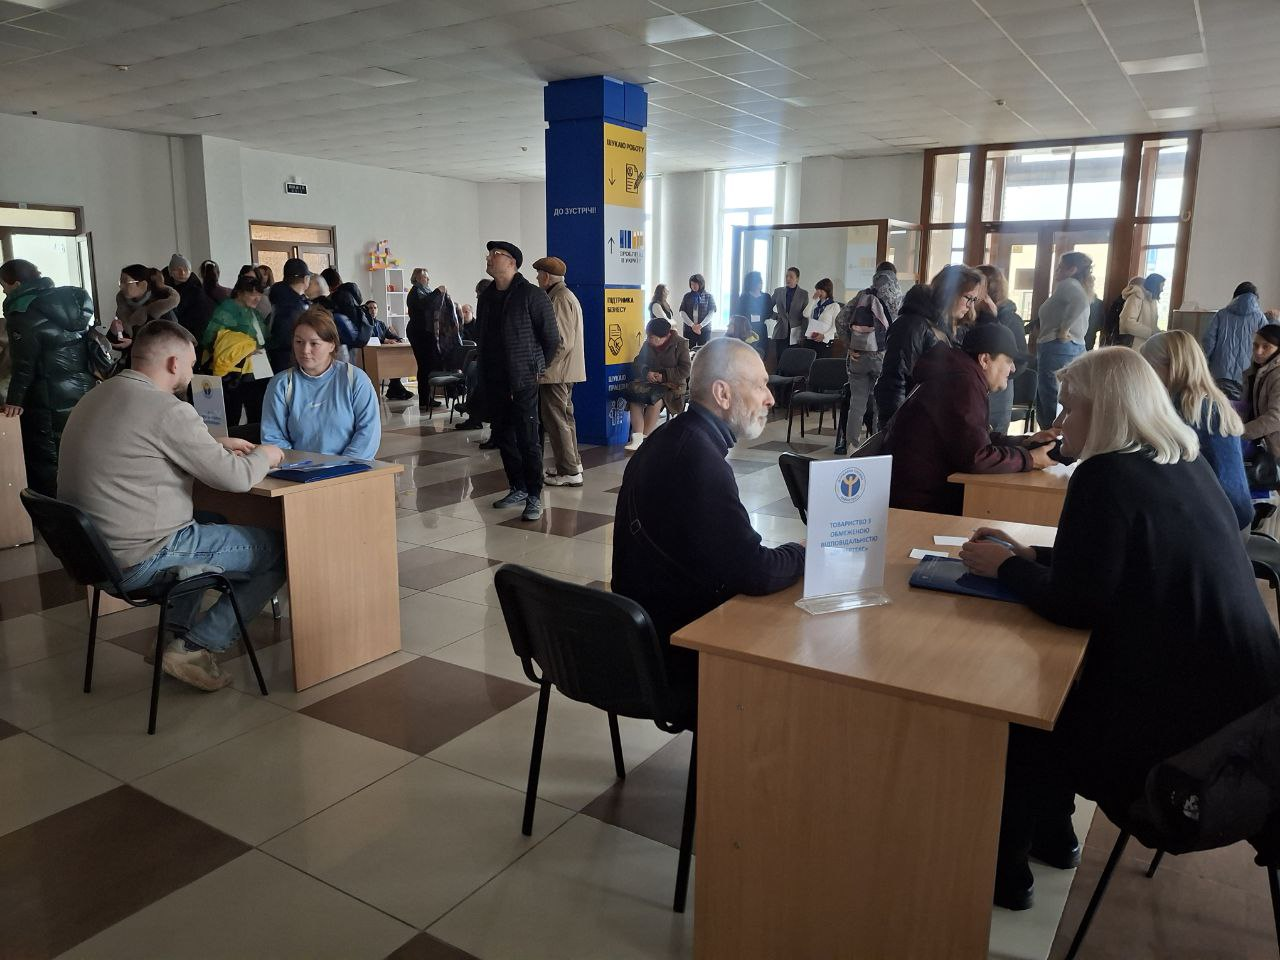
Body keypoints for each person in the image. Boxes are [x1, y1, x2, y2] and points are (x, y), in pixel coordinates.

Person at [957, 346, 1280, 911]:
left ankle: (1006, 876)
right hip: (1250, 714)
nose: (1061, 421)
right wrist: (1029, 554)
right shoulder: (1182, 460)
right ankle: (1055, 839)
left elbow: (1076, 605)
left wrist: (1004, 568)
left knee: (1029, 711)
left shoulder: (1104, 475)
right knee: (1061, 692)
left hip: (1189, 753)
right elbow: (1115, 565)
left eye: (1071, 408)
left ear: (1105, 410)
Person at [58, 319, 288, 691]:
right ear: (173, 363)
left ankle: (171, 635)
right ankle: (196, 647)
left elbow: (143, 445)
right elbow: (236, 478)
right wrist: (266, 454)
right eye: (191, 364)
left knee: (212, 518)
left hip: (92, 557)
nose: (193, 374)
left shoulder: (96, 396)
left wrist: (213, 444)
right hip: (140, 558)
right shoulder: (167, 408)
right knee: (280, 549)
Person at [612, 337, 805, 698]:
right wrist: (803, 552)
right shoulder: (697, 458)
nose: (770, 398)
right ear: (722, 394)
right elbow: (755, 572)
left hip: (640, 635)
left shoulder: (671, 437)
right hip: (676, 654)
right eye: (760, 385)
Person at [883, 324, 1054, 515]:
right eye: (1008, 361)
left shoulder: (959, 375)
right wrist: (1030, 459)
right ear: (985, 360)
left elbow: (974, 439)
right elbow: (976, 458)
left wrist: (1025, 443)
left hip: (913, 492)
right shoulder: (964, 383)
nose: (1013, 369)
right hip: (921, 504)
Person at [477, 240, 559, 522]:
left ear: (511, 262)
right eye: (489, 254)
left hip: (523, 378)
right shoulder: (486, 296)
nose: (489, 258)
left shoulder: (532, 295)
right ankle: (518, 487)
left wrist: (537, 368)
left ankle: (534, 494)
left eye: (495, 254)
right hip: (494, 378)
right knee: (503, 436)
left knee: (527, 437)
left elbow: (551, 338)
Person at [0, 258, 96, 497]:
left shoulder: (22, 312)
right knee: (80, 449)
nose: (3, 291)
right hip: (83, 390)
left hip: (47, 396)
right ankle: (86, 502)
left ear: (16, 284)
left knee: (48, 458)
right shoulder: (68, 302)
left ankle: (55, 510)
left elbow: (24, 365)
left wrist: (14, 401)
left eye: (3, 286)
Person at [1140, 330, 1252, 531]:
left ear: (1171, 368)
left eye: (1148, 369)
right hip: (1238, 515)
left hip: (1219, 522)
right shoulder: (1213, 401)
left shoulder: (1187, 409)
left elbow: (1159, 460)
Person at [261, 307, 380, 460]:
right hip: (300, 469)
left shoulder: (355, 379)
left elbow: (368, 433)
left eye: (314, 343)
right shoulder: (281, 384)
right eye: (299, 342)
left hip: (351, 468)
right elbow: (273, 437)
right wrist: (300, 466)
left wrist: (344, 466)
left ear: (332, 345)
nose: (305, 350)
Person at [875, 263, 983, 427]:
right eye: (968, 298)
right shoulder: (911, 325)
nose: (970, 306)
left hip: (933, 421)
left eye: (974, 300)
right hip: (913, 423)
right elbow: (894, 383)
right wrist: (895, 428)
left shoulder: (953, 328)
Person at [833, 264, 899, 452]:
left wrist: (849, 345)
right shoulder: (895, 297)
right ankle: (877, 446)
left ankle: (852, 446)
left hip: (858, 355)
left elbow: (840, 320)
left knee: (857, 402)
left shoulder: (863, 294)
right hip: (882, 356)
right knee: (880, 403)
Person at [532, 256, 585, 488]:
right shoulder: (563, 295)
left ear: (546, 277)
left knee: (556, 421)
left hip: (557, 373)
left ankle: (569, 471)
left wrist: (543, 367)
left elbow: (562, 342)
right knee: (565, 419)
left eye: (538, 274)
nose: (536, 278)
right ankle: (572, 464)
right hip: (564, 371)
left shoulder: (560, 298)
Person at [202, 274, 269, 426]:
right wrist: (243, 348)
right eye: (252, 294)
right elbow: (211, 339)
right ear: (239, 293)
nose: (257, 298)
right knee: (232, 411)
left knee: (256, 409)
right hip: (234, 370)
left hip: (255, 366)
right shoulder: (226, 311)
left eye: (259, 294)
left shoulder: (252, 312)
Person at [1035, 251, 1092, 421]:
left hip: (1057, 347)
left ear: (1072, 270)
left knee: (1051, 396)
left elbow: (1080, 302)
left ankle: (1051, 434)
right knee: (1064, 395)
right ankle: (1059, 431)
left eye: (1060, 267)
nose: (1056, 271)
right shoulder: (1078, 286)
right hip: (1073, 347)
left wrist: (1063, 330)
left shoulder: (1068, 284)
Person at [623, 316, 693, 452]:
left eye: (652, 337)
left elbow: (685, 369)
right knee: (635, 399)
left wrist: (664, 376)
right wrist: (646, 372)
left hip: (672, 385)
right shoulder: (648, 344)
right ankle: (637, 439)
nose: (649, 339)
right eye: (648, 336)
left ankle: (645, 439)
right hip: (649, 382)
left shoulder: (680, 344)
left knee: (655, 402)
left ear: (665, 337)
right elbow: (638, 362)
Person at [974, 265, 1027, 434]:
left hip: (998, 392)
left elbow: (1020, 361)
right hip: (975, 388)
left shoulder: (1010, 319)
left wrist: (996, 375)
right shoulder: (973, 315)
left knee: (994, 437)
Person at [1203, 281, 1273, 385]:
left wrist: (1204, 364)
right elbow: (1269, 343)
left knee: (1219, 395)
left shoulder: (1221, 315)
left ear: (1235, 295)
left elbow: (1208, 342)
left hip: (1220, 372)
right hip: (1248, 373)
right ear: (1255, 298)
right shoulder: (1260, 318)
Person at [265, 257, 311, 375]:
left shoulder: (279, 298)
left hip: (277, 360)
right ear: (306, 279)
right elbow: (287, 338)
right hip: (289, 362)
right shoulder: (293, 306)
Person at [1242, 324, 1280, 458]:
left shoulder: (1277, 375)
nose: (1258, 351)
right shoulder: (1256, 370)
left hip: (1276, 450)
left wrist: (1241, 432)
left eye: (1266, 347)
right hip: (1262, 443)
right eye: (1255, 345)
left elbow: (1276, 418)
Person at [364, 299, 413, 400]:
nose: (373, 310)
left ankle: (394, 388)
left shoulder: (380, 324)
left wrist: (398, 339)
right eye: (370, 308)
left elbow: (390, 334)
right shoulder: (364, 324)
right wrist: (384, 340)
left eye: (375, 308)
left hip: (385, 354)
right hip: (373, 355)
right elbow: (370, 339)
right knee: (392, 363)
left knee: (396, 361)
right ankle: (395, 388)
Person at [115, 264, 179, 339]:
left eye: (125, 282)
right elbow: (116, 338)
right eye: (120, 282)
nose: (121, 286)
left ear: (142, 285)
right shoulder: (123, 307)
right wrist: (115, 335)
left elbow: (172, 340)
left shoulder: (162, 310)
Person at [163, 254, 213, 344]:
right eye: (177, 269)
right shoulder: (168, 289)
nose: (182, 273)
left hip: (193, 338)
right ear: (170, 272)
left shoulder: (196, 291)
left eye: (186, 269)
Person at [1117, 272, 1164, 351]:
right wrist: (1151, 333)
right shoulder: (1136, 297)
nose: (1162, 290)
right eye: (1161, 286)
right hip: (1133, 346)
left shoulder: (1152, 301)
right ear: (1155, 286)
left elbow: (1151, 325)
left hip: (1144, 346)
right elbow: (1127, 323)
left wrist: (1158, 333)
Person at [770, 266, 808, 363]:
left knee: (793, 361)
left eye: (791, 277)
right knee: (780, 360)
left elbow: (805, 316)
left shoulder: (803, 294)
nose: (788, 279)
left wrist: (803, 334)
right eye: (786, 276)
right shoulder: (778, 291)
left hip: (796, 332)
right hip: (781, 330)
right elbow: (767, 308)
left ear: (797, 279)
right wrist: (776, 316)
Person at [733, 271, 773, 359]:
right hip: (747, 329)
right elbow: (740, 313)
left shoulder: (766, 297)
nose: (760, 283)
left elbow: (769, 313)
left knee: (760, 355)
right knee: (746, 356)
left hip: (761, 330)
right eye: (758, 281)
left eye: (760, 281)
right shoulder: (744, 297)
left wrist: (758, 316)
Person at [678, 274, 716, 348]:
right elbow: (682, 312)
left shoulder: (709, 296)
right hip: (689, 329)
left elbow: (711, 313)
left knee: (703, 351)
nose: (693, 286)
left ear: (701, 284)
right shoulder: (687, 296)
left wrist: (700, 326)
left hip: (704, 329)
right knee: (688, 350)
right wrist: (692, 325)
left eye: (695, 284)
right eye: (692, 284)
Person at [804, 278, 839, 359]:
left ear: (827, 290)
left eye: (821, 290)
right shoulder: (815, 305)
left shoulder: (834, 306)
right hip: (811, 339)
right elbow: (805, 314)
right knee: (809, 363)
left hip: (824, 341)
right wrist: (813, 299)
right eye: (817, 290)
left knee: (821, 364)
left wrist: (824, 335)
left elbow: (835, 326)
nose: (818, 292)